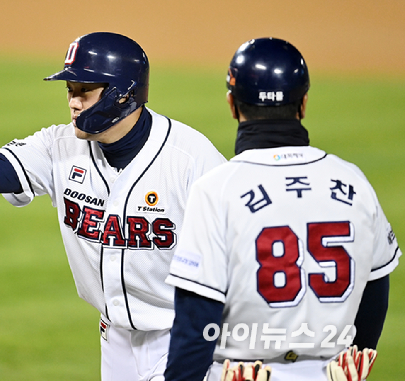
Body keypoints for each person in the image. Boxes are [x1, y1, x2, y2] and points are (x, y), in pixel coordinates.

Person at [0, 32, 227, 381]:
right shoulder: (59, 146)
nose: (73, 103)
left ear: (123, 94)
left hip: (182, 335)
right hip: (114, 337)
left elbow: (235, 258)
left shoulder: (191, 160)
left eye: (83, 92)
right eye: (69, 91)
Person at [163, 37, 401, 381]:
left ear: (232, 104)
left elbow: (196, 320)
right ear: (303, 103)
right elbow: (375, 291)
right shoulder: (354, 182)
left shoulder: (217, 189)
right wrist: (352, 355)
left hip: (242, 372)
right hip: (333, 373)